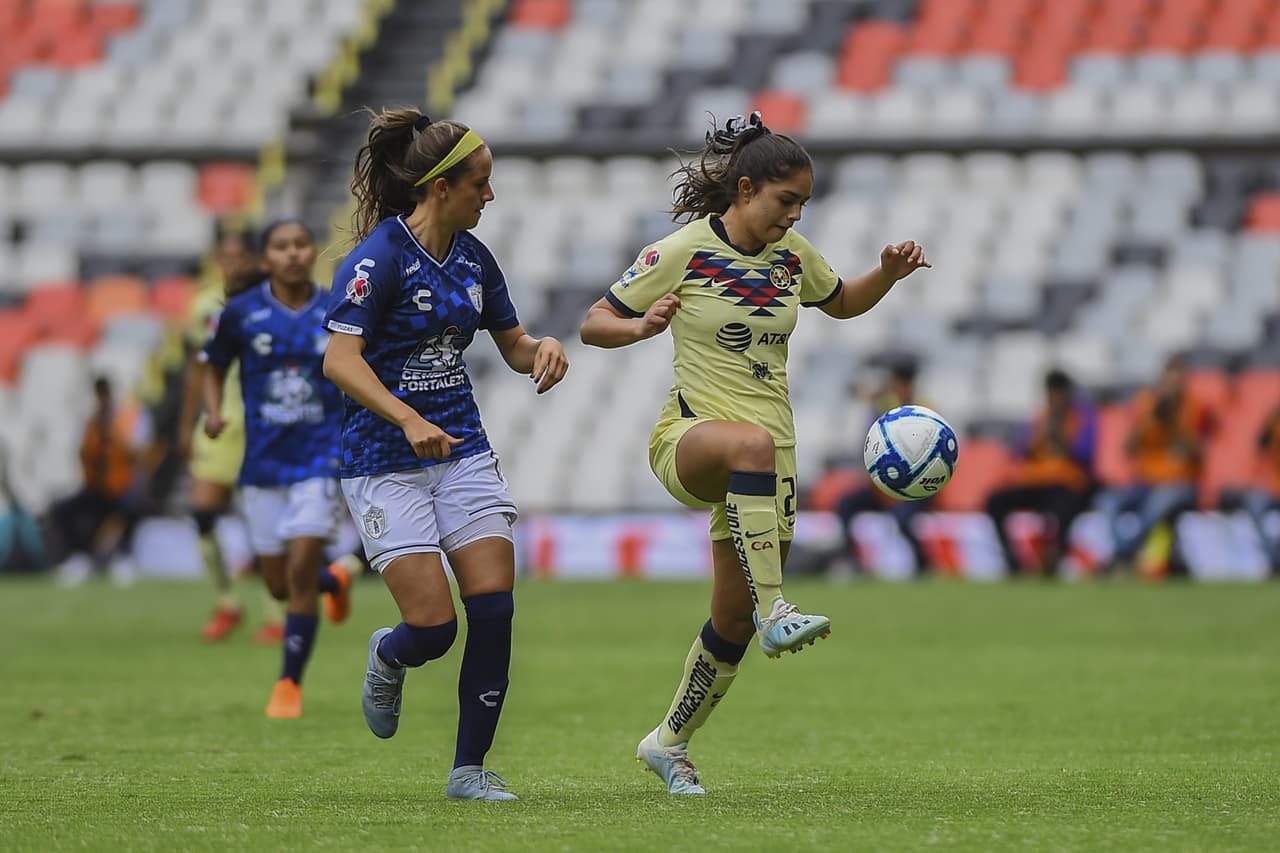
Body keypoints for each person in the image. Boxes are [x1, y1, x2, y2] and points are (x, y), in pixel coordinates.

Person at [578, 112, 930, 795]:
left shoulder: (794, 254)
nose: (793, 214)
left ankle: (669, 739)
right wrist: (641, 326)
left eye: (802, 203)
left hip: (771, 464)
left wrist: (885, 275)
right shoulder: (682, 250)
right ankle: (778, 611)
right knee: (749, 442)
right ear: (744, 189)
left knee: (728, 620)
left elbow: (841, 301)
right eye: (784, 200)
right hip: (692, 438)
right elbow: (595, 322)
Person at [323, 109, 568, 801]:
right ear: (439, 188)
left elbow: (513, 343)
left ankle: (469, 770)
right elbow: (341, 360)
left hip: (461, 451)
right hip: (383, 460)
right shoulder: (379, 259)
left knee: (494, 609)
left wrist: (540, 350)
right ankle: (389, 652)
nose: (489, 197)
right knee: (434, 628)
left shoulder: (473, 257)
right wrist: (406, 418)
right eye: (480, 184)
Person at [202, 219, 354, 718]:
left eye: (300, 245)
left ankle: (288, 683)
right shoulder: (242, 312)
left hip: (320, 457)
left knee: (300, 566)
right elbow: (213, 363)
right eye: (280, 247)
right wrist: (214, 410)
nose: (291, 254)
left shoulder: (337, 308)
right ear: (265, 258)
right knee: (280, 585)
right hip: (263, 462)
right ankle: (335, 581)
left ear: (313, 253)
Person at [177, 224, 282, 642]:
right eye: (226, 258)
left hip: (263, 425)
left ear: (256, 262)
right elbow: (198, 370)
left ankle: (276, 614)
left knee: (264, 520)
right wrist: (186, 425)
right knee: (203, 515)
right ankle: (227, 603)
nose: (231, 265)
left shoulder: (271, 304)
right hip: (219, 424)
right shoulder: (205, 307)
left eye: (239, 258)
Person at [1096, 353, 1212, 576]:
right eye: (1169, 381)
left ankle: (1121, 556)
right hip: (1146, 481)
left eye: (1178, 382)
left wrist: (1173, 424)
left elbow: (1198, 452)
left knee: (1158, 504)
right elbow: (1129, 448)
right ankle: (1123, 553)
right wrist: (1151, 419)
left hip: (1180, 481)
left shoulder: (1195, 406)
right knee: (1107, 501)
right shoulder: (1147, 403)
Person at [985, 369, 1097, 576]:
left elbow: (1086, 454)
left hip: (1067, 483)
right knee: (995, 501)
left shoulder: (1081, 418)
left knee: (1061, 511)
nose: (1054, 399)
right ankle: (1012, 560)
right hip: (1038, 481)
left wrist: (1063, 439)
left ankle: (1054, 559)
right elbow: (1018, 450)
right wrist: (1041, 436)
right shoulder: (1041, 418)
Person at [830, 359, 933, 575]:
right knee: (845, 505)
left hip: (915, 484)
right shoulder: (884, 405)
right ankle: (853, 561)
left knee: (903, 518)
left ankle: (923, 564)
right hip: (884, 483)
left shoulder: (924, 409)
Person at [51, 377, 152, 586]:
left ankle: (124, 558)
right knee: (62, 509)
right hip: (97, 488)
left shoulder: (126, 418)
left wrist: (114, 434)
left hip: (121, 487)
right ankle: (80, 557)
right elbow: (83, 455)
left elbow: (139, 454)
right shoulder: (91, 421)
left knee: (133, 506)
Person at [1241, 403, 1280, 575]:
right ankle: (1273, 559)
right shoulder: (1274, 421)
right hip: (1274, 486)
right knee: (1254, 502)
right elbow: (1260, 446)